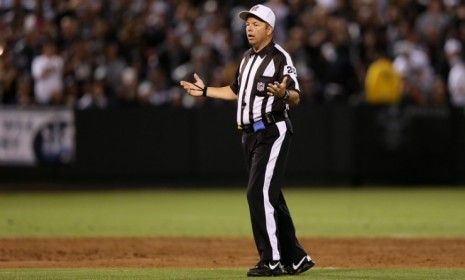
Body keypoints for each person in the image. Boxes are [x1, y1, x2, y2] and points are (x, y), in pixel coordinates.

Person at [180, 4, 314, 277]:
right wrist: (205, 91)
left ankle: (272, 261)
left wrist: (284, 94)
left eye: (255, 24)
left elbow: (297, 95)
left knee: (258, 193)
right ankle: (296, 258)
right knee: (270, 196)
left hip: (272, 131)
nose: (249, 28)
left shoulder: (280, 57)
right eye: (247, 24)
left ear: (269, 29)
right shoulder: (246, 58)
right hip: (250, 134)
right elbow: (235, 91)